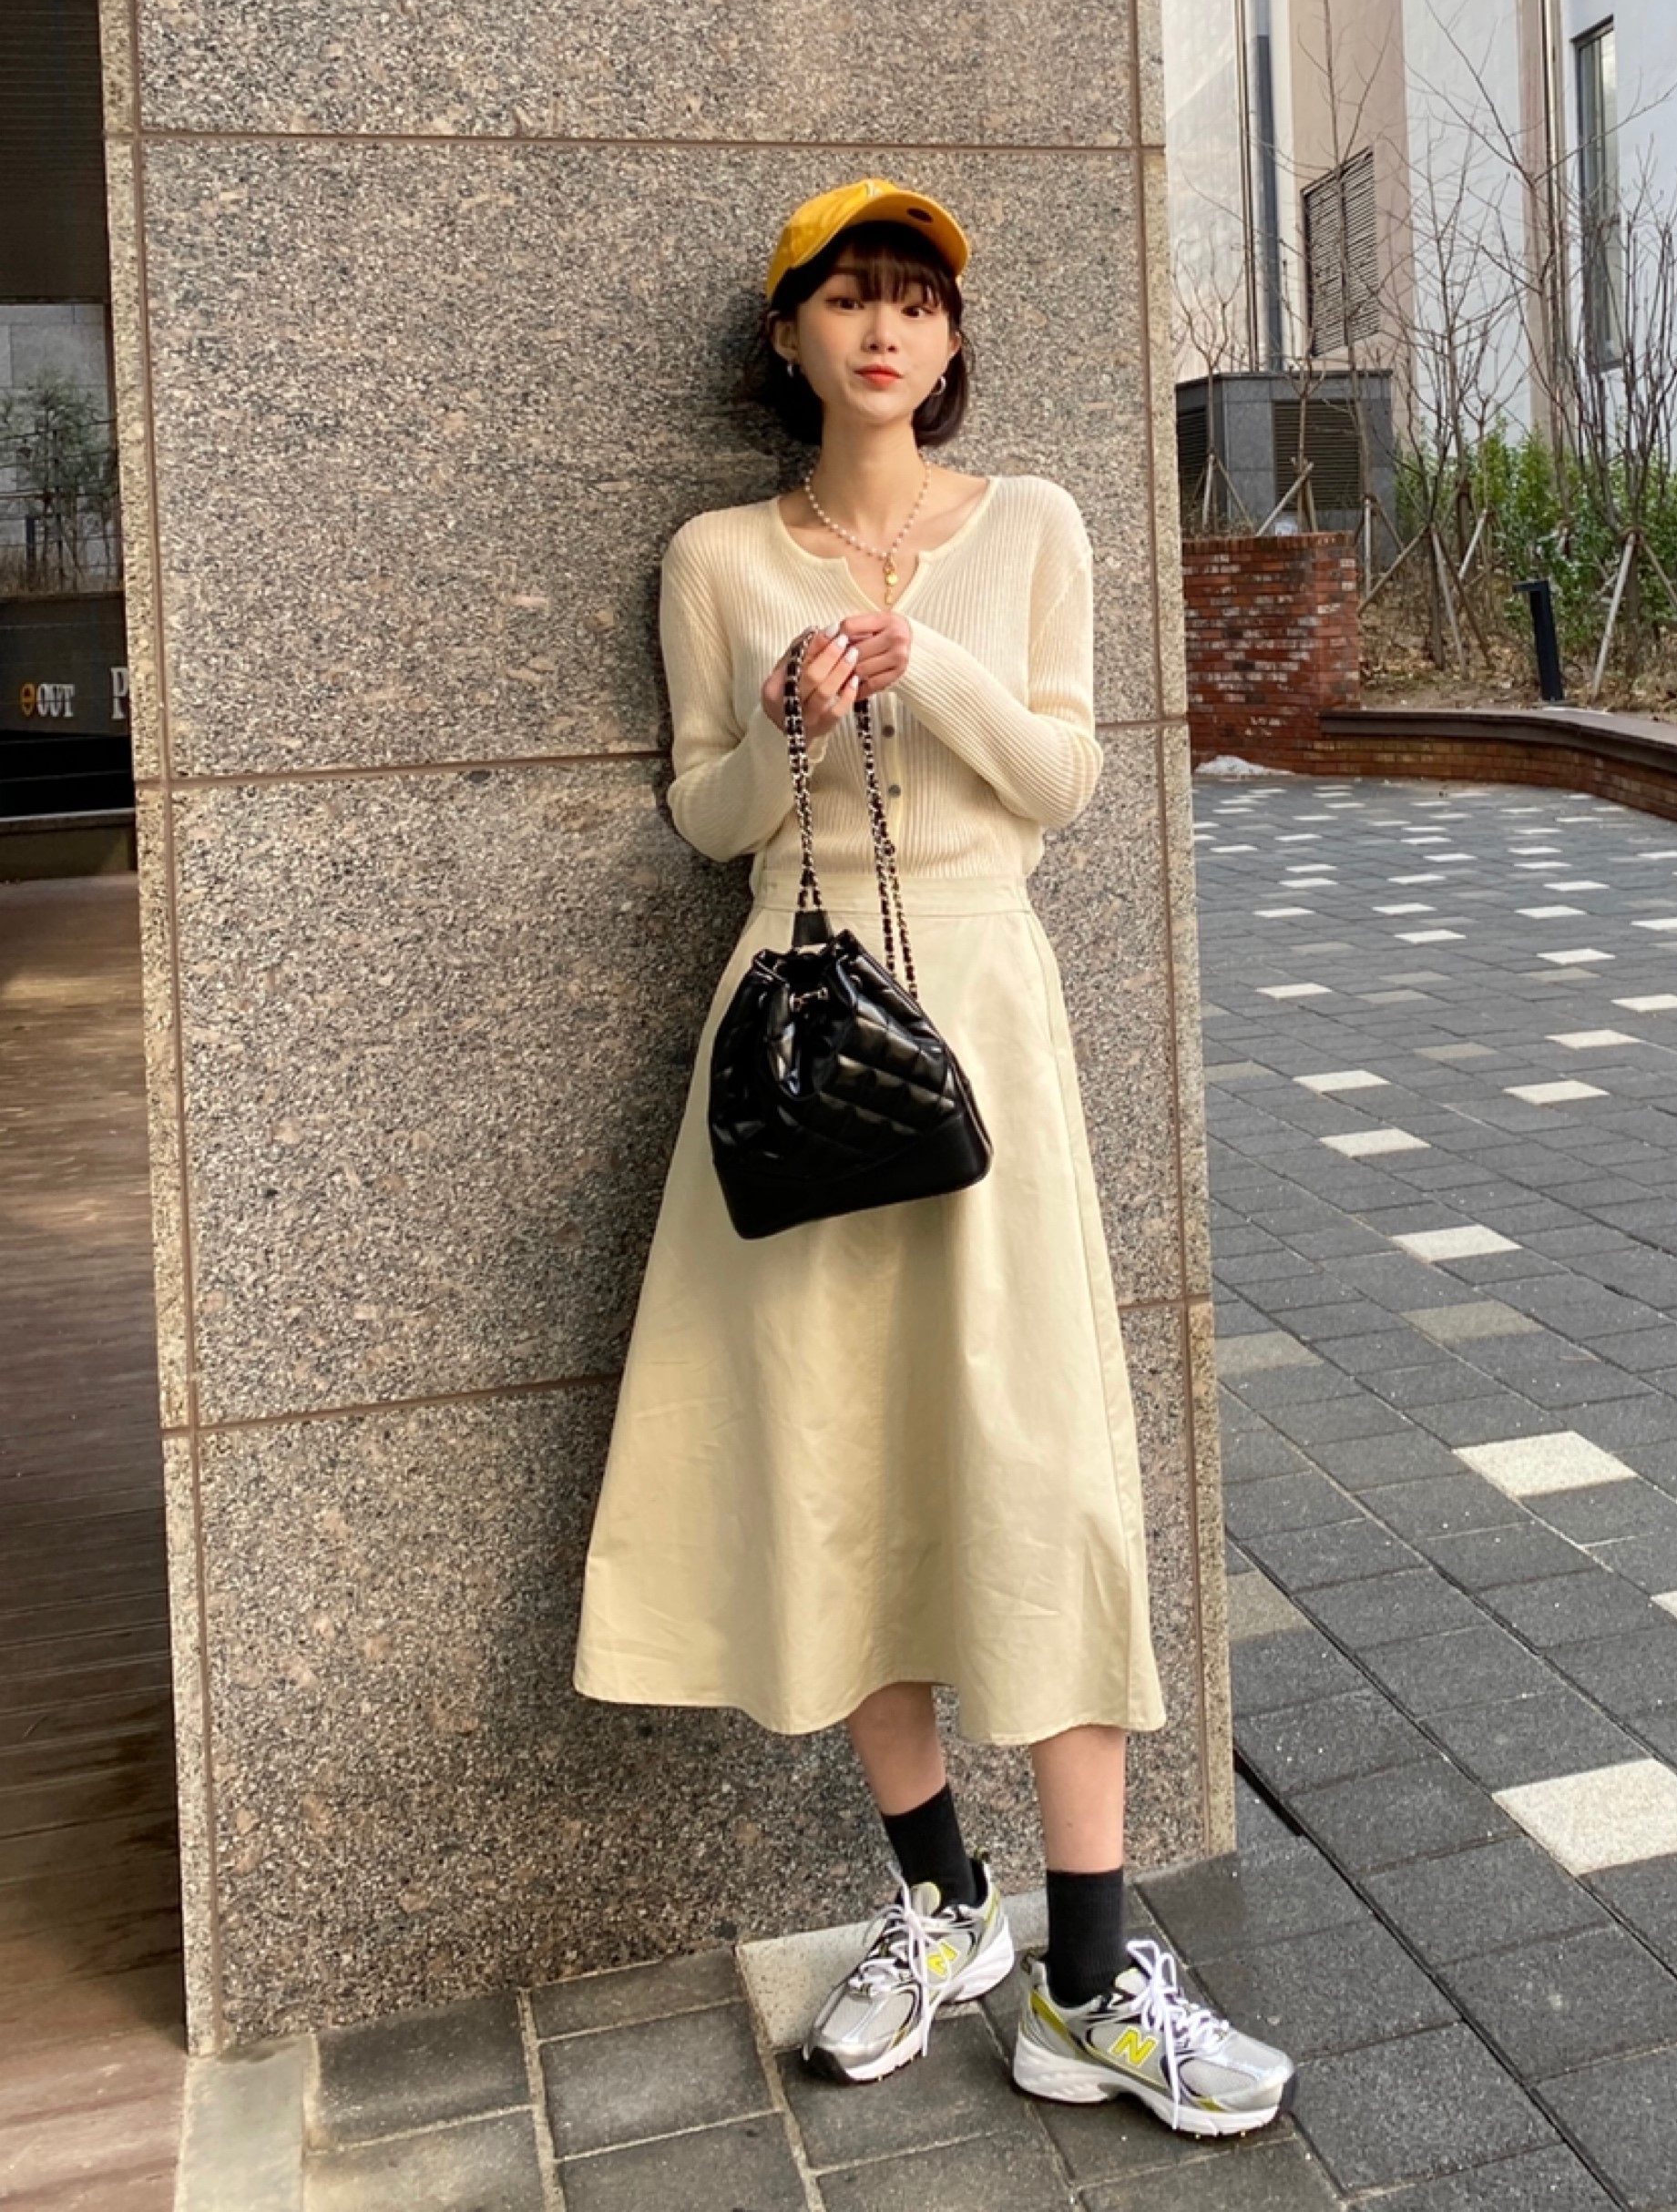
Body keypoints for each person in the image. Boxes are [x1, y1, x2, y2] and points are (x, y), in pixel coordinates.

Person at [574, 177, 1294, 2139]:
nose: (884, 327)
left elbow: (1063, 776)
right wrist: (792, 724)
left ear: (954, 342)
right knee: (839, 1454)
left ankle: (1089, 1975)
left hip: (984, 1003)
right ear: (788, 337)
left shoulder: (1037, 522)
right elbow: (709, 815)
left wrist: (925, 662)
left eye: (917, 299)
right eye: (846, 297)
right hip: (796, 1032)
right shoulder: (718, 556)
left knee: (1042, 1462)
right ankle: (942, 1901)